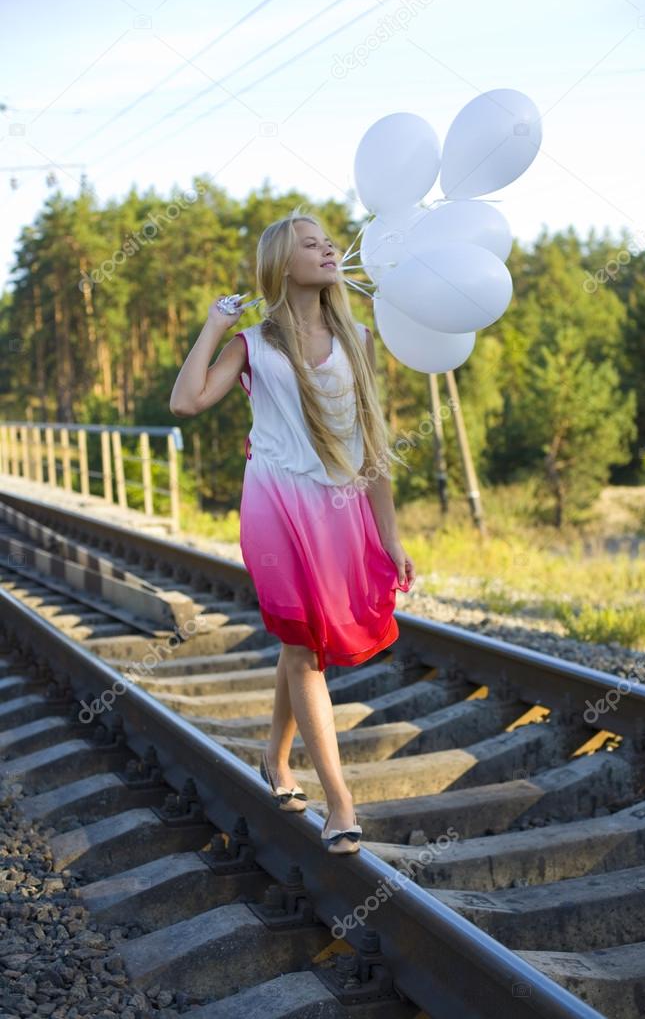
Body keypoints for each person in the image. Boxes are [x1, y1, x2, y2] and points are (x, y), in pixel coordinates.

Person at [170, 207, 416, 853]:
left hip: (341, 505)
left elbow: (372, 445)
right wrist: (215, 325)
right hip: (276, 503)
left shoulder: (359, 339)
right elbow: (187, 401)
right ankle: (339, 801)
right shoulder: (253, 342)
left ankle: (275, 761)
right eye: (312, 243)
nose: (329, 248)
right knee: (304, 646)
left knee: (303, 640)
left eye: (329, 240)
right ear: (284, 262)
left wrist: (390, 536)